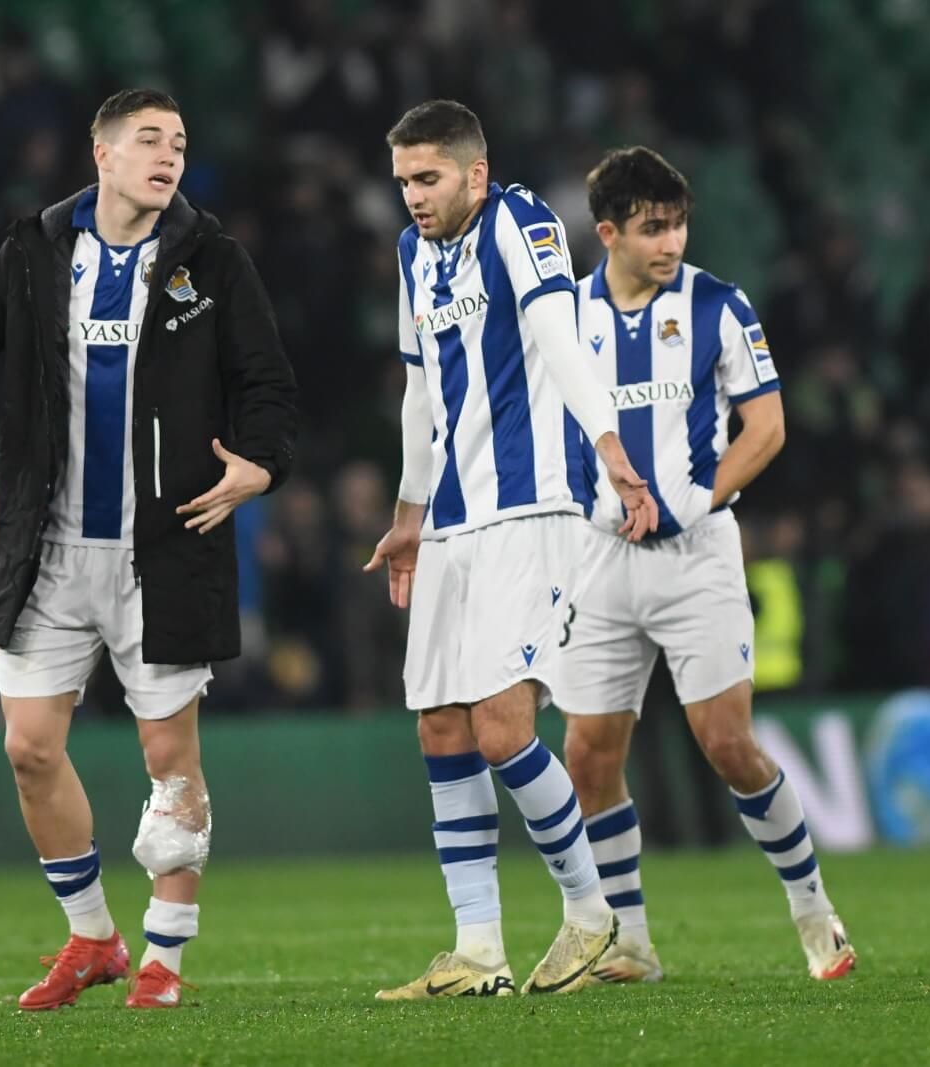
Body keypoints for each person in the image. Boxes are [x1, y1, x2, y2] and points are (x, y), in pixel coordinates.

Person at [0, 88, 297, 1010]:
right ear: (103, 154)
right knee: (30, 749)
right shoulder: (39, 255)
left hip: (161, 548)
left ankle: (163, 958)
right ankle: (93, 938)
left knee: (171, 761)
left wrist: (264, 467)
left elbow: (267, 384)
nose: (170, 156)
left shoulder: (213, 262)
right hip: (48, 550)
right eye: (152, 141)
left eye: (181, 142)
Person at [365, 100, 659, 1001]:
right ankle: (478, 949)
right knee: (442, 727)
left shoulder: (521, 221)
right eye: (404, 181)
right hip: (452, 517)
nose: (414, 197)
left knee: (502, 728)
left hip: (532, 507)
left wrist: (612, 452)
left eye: (429, 178)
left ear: (475, 173)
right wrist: (410, 510)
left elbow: (558, 339)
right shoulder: (416, 255)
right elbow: (421, 392)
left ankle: (588, 908)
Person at [551, 146, 856, 983]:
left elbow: (767, 427)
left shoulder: (719, 306)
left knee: (727, 742)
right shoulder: (563, 318)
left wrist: (695, 497)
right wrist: (581, 501)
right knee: (588, 758)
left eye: (678, 223)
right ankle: (633, 942)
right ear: (607, 232)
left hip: (695, 554)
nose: (671, 241)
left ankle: (812, 908)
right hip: (599, 557)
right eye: (653, 228)